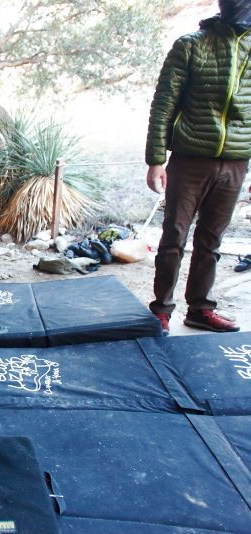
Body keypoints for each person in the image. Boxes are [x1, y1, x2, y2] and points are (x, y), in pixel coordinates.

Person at [145, 0, 251, 334]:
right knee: (173, 236)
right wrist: (156, 159)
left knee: (212, 240)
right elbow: (164, 103)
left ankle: (200, 309)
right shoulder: (191, 45)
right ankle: (161, 311)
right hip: (190, 158)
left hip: (236, 161)